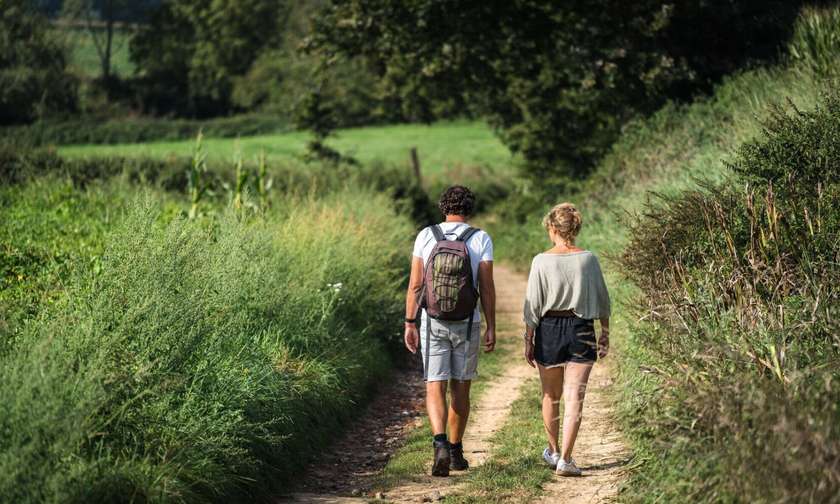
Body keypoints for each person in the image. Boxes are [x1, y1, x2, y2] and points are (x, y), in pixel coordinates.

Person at [404, 185, 496, 477]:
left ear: (443, 206)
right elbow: (487, 287)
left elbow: (416, 285)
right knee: (460, 387)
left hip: (432, 320)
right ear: (469, 209)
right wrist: (491, 325)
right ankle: (456, 452)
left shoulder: (426, 236)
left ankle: (440, 444)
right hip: (467, 322)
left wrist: (409, 321)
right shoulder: (480, 238)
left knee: (435, 385)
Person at [523, 202, 610, 477]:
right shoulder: (588, 259)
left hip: (548, 328)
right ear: (575, 228)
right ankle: (567, 460)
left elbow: (533, 304)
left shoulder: (541, 260)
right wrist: (605, 331)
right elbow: (602, 298)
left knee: (550, 395)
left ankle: (554, 452)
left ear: (552, 228)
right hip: (582, 328)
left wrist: (528, 337)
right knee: (575, 397)